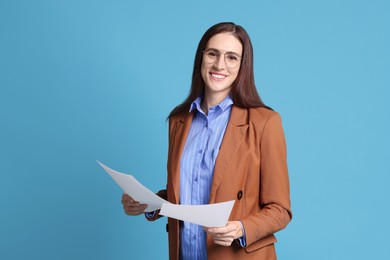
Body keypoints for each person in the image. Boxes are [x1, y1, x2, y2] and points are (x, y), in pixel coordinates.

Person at [121, 22, 292, 260]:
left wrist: (241, 228)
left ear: (243, 66)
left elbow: (280, 210)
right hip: (186, 253)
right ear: (201, 57)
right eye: (213, 54)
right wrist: (149, 204)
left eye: (231, 57)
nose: (219, 65)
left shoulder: (264, 122)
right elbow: (187, 195)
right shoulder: (178, 121)